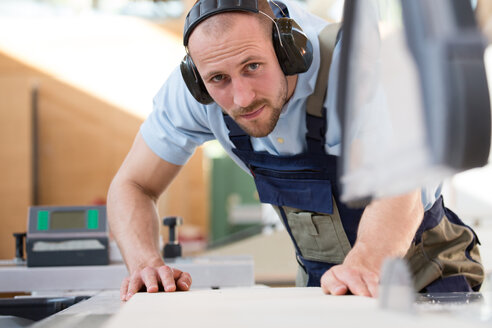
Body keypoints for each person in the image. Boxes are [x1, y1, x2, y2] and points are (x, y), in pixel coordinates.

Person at [107, 0, 484, 302]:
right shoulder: (198, 89)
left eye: (253, 66)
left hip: (425, 270)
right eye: (218, 80)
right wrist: (144, 264)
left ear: (291, 51)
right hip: (326, 284)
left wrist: (367, 262)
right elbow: (132, 185)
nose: (241, 97)